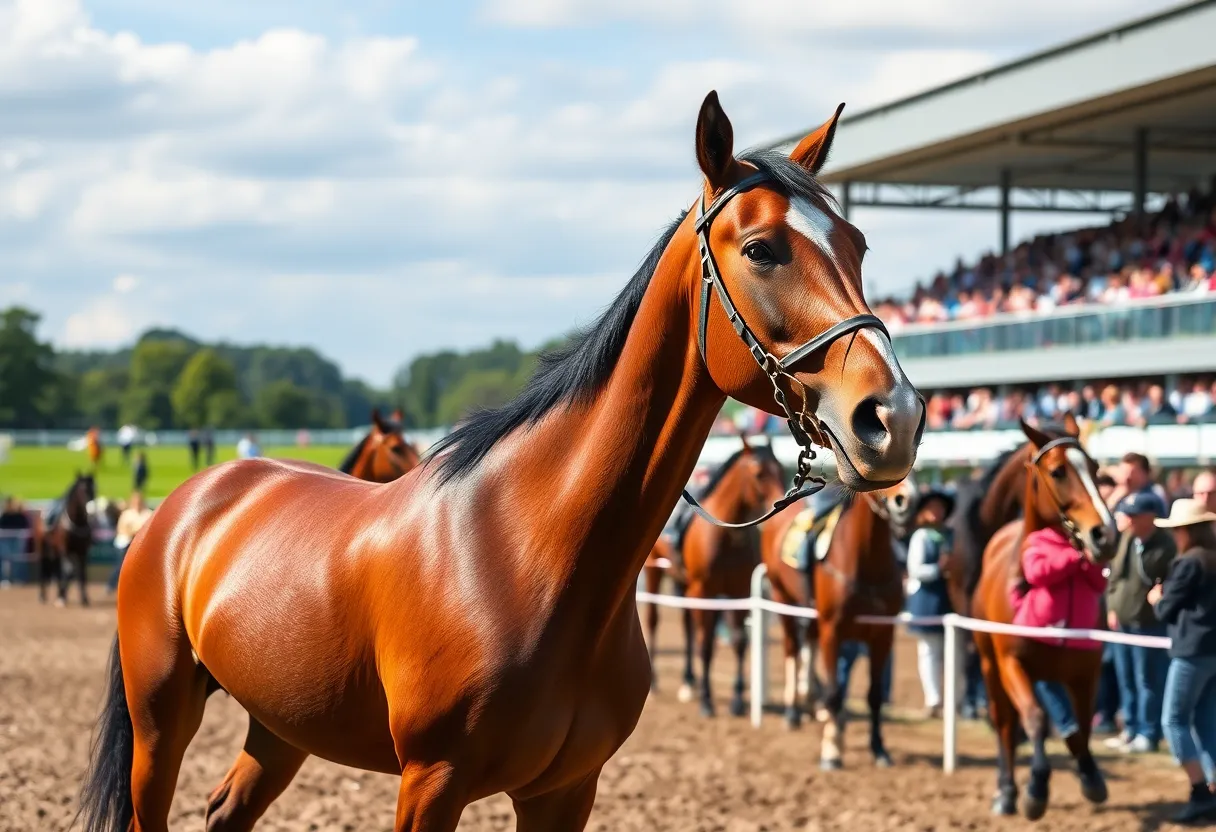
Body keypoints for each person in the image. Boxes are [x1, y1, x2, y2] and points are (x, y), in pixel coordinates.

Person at [1011, 515, 1108, 743]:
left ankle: (1074, 730)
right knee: (1043, 679)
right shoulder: (1038, 540)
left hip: (1079, 634)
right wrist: (1073, 558)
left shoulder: (1089, 544)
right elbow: (1036, 573)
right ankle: (1065, 726)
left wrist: (1091, 561)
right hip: (1041, 631)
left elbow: (1100, 583)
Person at [1149, 498, 1216, 822]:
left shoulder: (1189, 563)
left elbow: (1166, 610)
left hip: (1192, 651)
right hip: (1212, 652)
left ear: (1186, 531)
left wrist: (1156, 598)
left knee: (1173, 721)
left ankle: (1199, 790)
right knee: (1205, 722)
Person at [1105, 491, 1176, 753]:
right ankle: (1131, 728)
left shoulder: (1165, 546)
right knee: (1126, 678)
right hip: (1123, 621)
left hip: (1148, 623)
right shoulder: (1126, 540)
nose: (1129, 520)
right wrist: (1112, 608)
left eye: (1134, 516)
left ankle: (1148, 732)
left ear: (1150, 517)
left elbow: (1157, 577)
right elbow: (1115, 577)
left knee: (1148, 679)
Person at [905, 488, 957, 718]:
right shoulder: (921, 537)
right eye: (932, 508)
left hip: (949, 599)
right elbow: (915, 569)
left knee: (953, 654)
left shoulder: (951, 535)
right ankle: (934, 699)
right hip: (927, 599)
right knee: (929, 652)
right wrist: (939, 569)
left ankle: (956, 699)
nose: (937, 512)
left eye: (940, 508)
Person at [108, 492, 154, 594]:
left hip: (142, 544)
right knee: (121, 565)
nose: (137, 503)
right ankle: (112, 584)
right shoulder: (127, 514)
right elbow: (121, 529)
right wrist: (133, 532)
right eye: (135, 501)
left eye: (139, 501)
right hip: (125, 542)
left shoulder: (147, 513)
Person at [0, 497, 32, 587]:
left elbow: (26, 526)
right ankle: (5, 579)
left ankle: (19, 578)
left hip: (17, 539)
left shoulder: (20, 516)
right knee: (5, 559)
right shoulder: (4, 516)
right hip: (5, 540)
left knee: (19, 559)